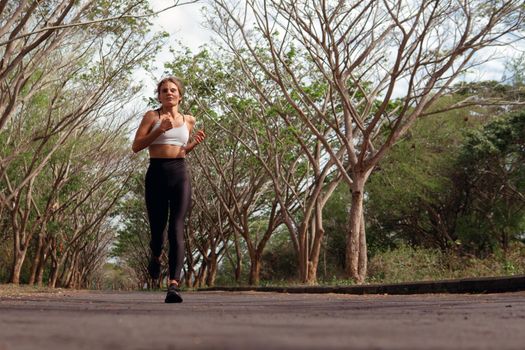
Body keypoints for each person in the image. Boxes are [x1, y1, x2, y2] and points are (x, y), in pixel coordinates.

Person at [132, 76, 205, 303]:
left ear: (180, 96)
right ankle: (155, 255)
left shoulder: (188, 120)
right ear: (159, 96)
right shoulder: (152, 116)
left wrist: (190, 146)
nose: (169, 93)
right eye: (164, 90)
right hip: (156, 174)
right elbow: (136, 146)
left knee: (176, 227)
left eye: (173, 90)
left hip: (179, 173)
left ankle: (173, 283)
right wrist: (159, 130)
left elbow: (180, 150)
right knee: (158, 231)